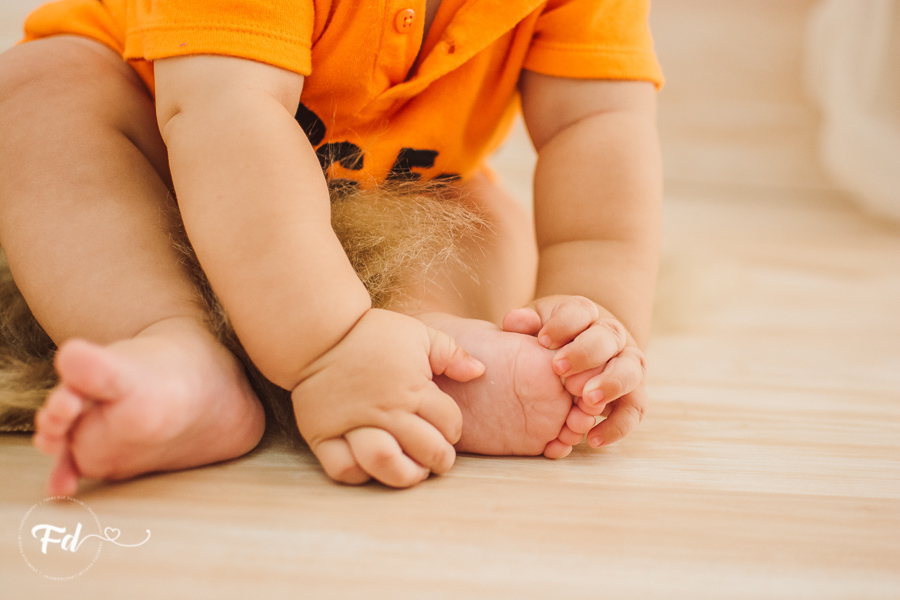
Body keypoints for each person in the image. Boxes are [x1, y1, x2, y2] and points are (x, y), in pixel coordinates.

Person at [0, 0, 663, 494]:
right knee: (40, 87)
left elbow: (597, 125)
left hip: (389, 200)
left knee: (487, 216)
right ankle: (168, 342)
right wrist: (328, 346)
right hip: (155, 176)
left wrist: (596, 326)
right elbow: (229, 114)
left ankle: (432, 348)